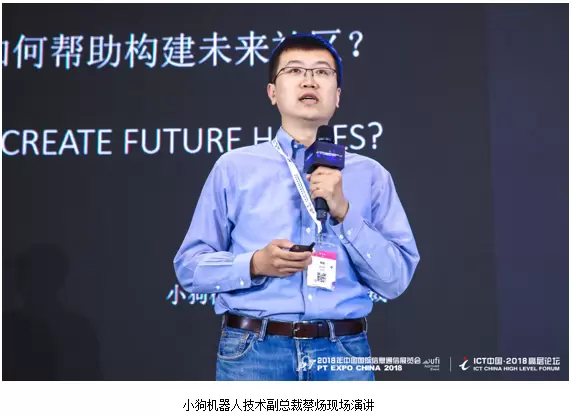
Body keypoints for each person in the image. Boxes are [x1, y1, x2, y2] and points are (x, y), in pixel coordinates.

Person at [173, 34, 420, 381]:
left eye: (322, 72)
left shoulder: (371, 175)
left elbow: (395, 279)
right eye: (294, 71)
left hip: (342, 351)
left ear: (337, 95)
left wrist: (344, 212)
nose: (309, 80)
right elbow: (189, 267)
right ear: (272, 92)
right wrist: (254, 264)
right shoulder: (234, 168)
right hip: (254, 351)